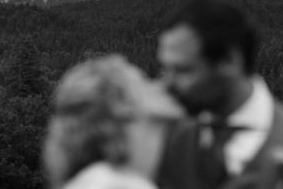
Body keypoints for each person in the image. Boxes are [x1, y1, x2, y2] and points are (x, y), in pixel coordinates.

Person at [155, 0, 283, 189]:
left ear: (230, 61)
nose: (166, 84)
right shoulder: (163, 141)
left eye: (183, 70)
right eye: (166, 69)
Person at [44, 55, 184, 189]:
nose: (160, 86)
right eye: (145, 82)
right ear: (123, 110)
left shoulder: (95, 180)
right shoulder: (118, 185)